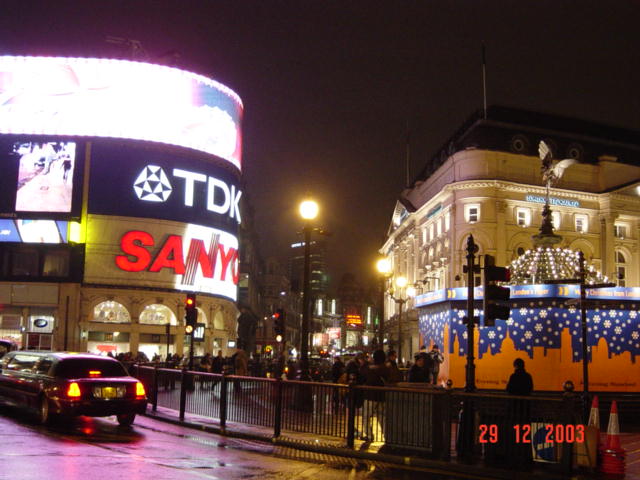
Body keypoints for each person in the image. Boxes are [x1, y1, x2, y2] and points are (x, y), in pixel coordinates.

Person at [362, 349, 391, 442]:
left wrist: (368, 362)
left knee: (366, 416)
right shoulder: (385, 368)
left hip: (370, 395)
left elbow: (362, 372)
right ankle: (387, 436)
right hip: (381, 396)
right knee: (382, 417)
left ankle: (369, 435)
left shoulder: (371, 369)